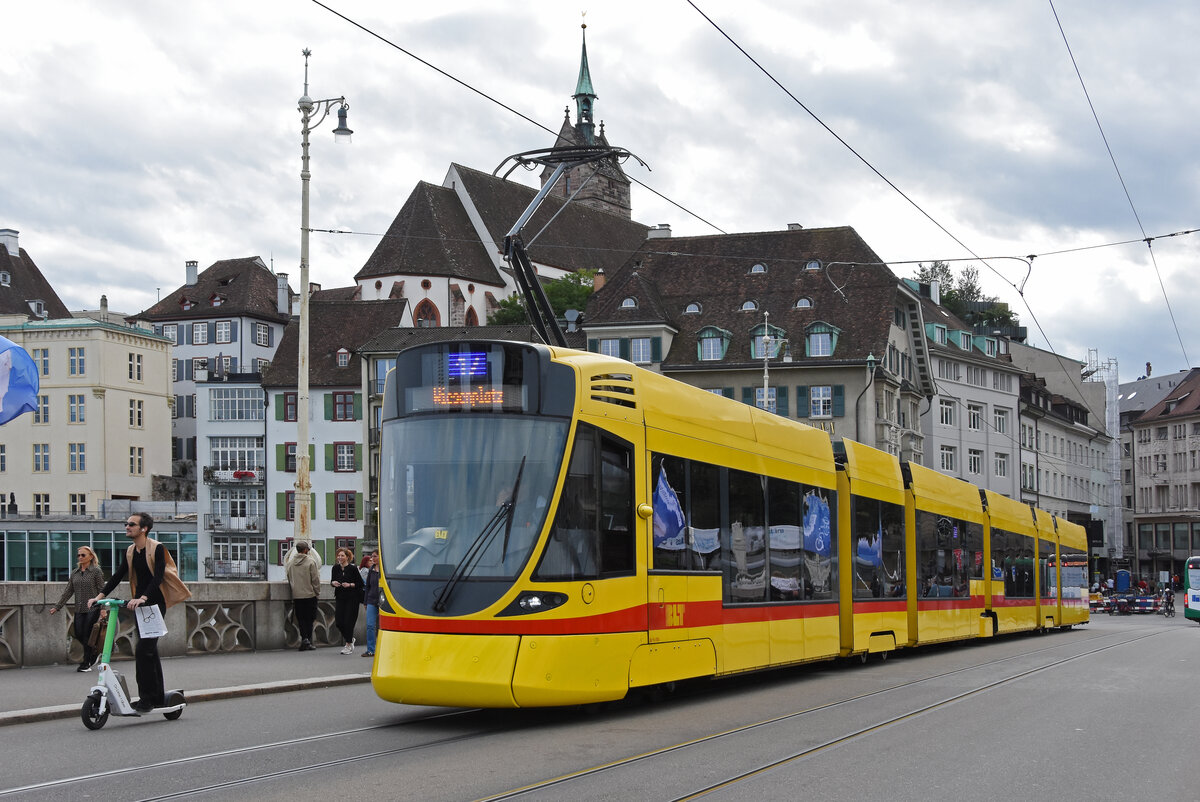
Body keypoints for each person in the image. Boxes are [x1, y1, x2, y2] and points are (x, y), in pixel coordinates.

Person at [90, 513, 190, 712]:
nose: (127, 527)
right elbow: (118, 575)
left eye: (131, 524)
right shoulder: (130, 551)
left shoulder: (157, 548)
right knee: (149, 652)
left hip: (154, 606)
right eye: (126, 523)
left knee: (144, 650)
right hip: (139, 606)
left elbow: (158, 577)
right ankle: (157, 696)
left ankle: (147, 699)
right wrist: (99, 596)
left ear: (144, 529)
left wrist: (143, 598)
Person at [49, 545, 106, 671]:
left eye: (83, 555)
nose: (80, 557)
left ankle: (86, 663)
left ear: (91, 557)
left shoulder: (96, 571)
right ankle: (94, 652)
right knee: (79, 633)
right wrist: (57, 607)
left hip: (93, 608)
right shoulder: (75, 573)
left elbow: (102, 590)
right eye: (78, 555)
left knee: (86, 634)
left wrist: (102, 608)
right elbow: (68, 591)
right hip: (79, 608)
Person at [285, 540, 321, 651]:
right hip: (310, 594)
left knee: (301, 619)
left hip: (297, 595)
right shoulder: (310, 561)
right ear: (305, 550)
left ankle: (304, 639)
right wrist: (317, 592)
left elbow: (289, 577)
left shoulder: (290, 563)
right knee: (310, 619)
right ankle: (308, 640)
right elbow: (315, 579)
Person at [331, 547, 364, 655]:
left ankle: (348, 644)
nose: (340, 557)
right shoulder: (335, 568)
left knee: (349, 622)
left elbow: (360, 584)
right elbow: (332, 580)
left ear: (347, 557)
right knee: (339, 622)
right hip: (340, 597)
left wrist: (349, 585)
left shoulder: (353, 569)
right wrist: (333, 583)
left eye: (342, 556)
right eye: (338, 555)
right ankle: (350, 639)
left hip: (352, 598)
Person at [360, 551, 380, 657]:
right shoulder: (371, 570)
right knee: (370, 625)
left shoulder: (385, 570)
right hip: (371, 600)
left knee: (383, 627)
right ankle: (371, 650)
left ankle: (383, 649)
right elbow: (367, 586)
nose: (372, 559)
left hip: (383, 601)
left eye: (375, 556)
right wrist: (365, 601)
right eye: (372, 557)